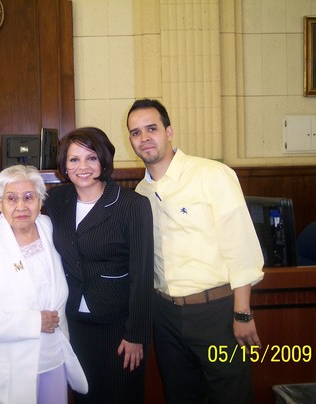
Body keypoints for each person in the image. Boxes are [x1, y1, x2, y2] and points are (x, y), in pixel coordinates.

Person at [126, 98, 264, 404]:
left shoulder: (211, 175)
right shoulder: (141, 193)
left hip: (215, 313)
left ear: (169, 131)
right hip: (165, 315)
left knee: (231, 395)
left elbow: (240, 245)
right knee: (180, 395)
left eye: (151, 128)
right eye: (136, 132)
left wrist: (243, 313)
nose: (144, 137)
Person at [0, 164, 88, 403]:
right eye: (11, 198)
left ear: (40, 202)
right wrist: (34, 322)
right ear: (0, 204)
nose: (21, 206)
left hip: (53, 356)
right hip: (10, 364)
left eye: (29, 197)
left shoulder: (50, 228)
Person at [44, 127, 154, 404]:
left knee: (122, 396)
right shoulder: (57, 200)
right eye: (74, 159)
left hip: (118, 325)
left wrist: (136, 334)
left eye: (91, 158)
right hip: (74, 323)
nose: (82, 167)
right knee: (85, 395)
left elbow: (142, 275)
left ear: (103, 161)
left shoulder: (132, 205)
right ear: (64, 165)